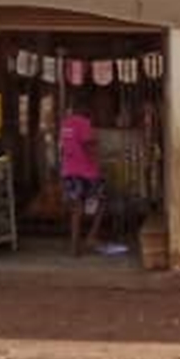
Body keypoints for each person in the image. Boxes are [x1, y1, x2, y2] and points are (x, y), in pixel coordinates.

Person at [59, 94, 104, 256]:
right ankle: (91, 236)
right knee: (100, 204)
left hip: (68, 171)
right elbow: (88, 145)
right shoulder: (84, 123)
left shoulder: (65, 124)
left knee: (76, 210)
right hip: (86, 172)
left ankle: (74, 247)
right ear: (87, 110)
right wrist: (97, 149)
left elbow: (63, 148)